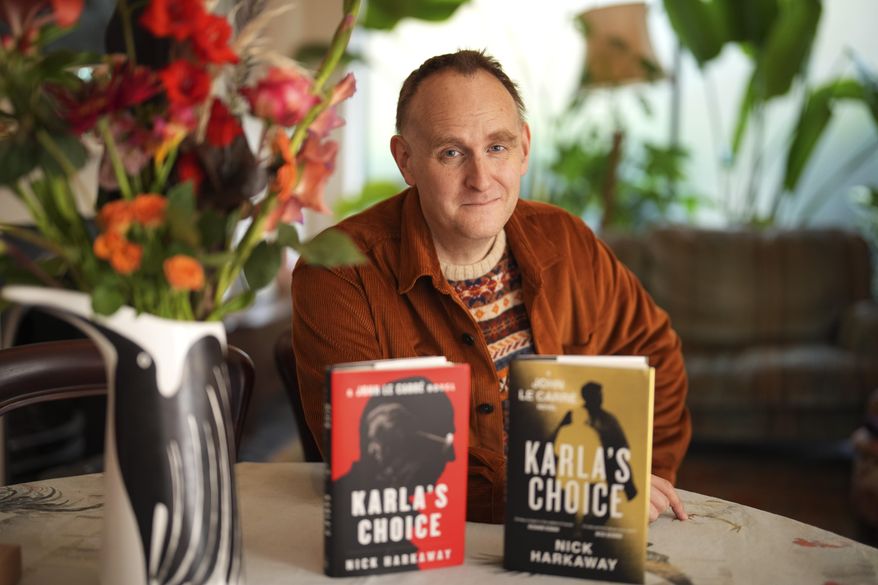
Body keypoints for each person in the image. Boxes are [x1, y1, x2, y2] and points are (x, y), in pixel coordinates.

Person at [292, 49, 690, 524]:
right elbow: (376, 469)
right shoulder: (338, 273)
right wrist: (579, 495)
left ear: (524, 146)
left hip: (580, 541)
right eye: (452, 152)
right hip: (431, 556)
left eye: (497, 147)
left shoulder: (567, 240)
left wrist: (640, 477)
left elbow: (655, 357)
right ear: (406, 160)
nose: (481, 179)